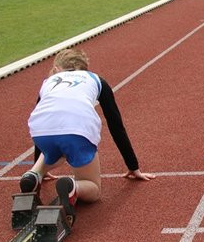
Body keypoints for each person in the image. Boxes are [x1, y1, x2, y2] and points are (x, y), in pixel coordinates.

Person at [20, 48, 154, 225]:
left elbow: (47, 120)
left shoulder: (49, 81)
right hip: (77, 130)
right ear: (84, 68)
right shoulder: (95, 79)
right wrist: (133, 166)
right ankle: (73, 186)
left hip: (39, 131)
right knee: (94, 189)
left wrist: (42, 170)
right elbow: (115, 125)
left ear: (57, 68)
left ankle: (33, 174)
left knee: (56, 138)